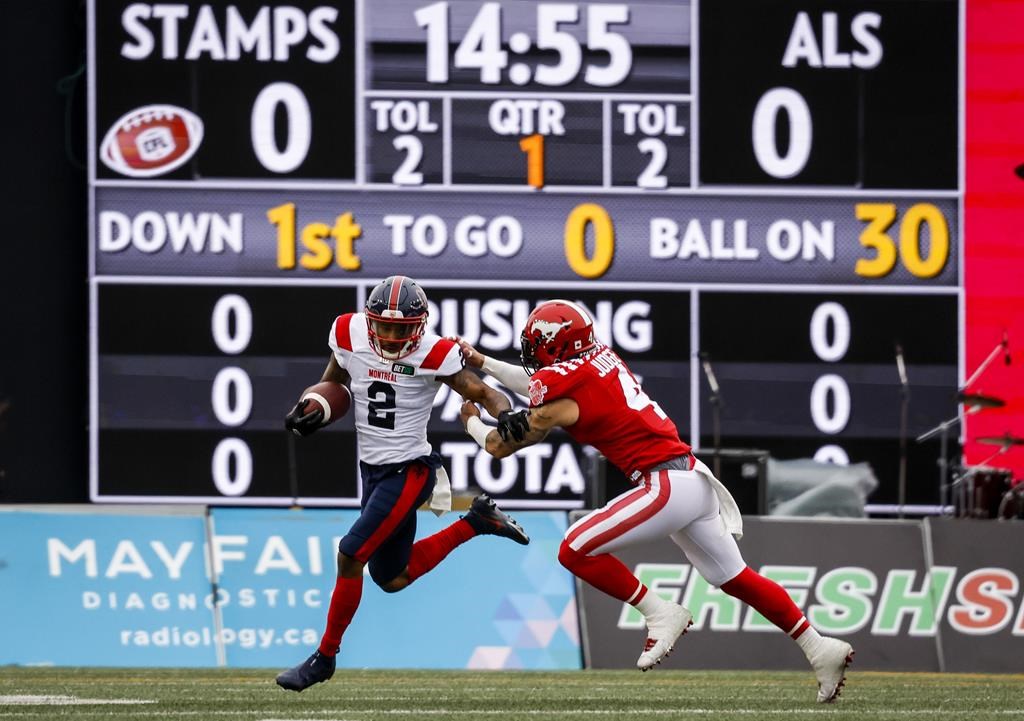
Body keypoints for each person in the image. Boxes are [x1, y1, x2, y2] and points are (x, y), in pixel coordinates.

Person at [457, 299, 854, 703]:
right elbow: (540, 388)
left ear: (555, 346)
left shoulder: (560, 390)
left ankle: (658, 612)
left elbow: (499, 445)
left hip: (665, 484)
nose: (531, 354)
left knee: (573, 549)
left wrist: (470, 420)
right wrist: (483, 361)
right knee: (735, 577)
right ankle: (819, 647)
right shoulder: (598, 359)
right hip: (693, 479)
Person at [275, 275, 530, 692]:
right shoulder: (348, 332)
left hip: (410, 469)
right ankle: (477, 521)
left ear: (421, 326)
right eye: (385, 326)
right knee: (392, 577)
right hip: (372, 471)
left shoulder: (434, 354)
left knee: (350, 554)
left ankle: (324, 657)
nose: (392, 336)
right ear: (369, 320)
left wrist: (504, 414)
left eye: (402, 328)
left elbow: (483, 392)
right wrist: (312, 407)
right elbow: (333, 383)